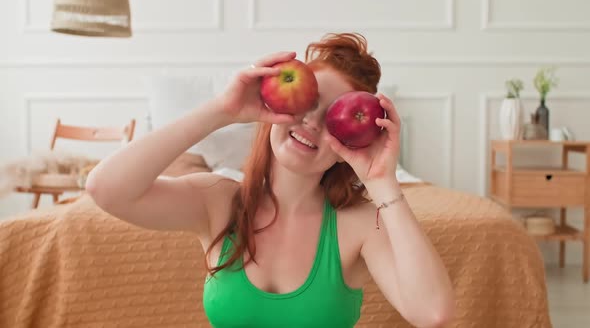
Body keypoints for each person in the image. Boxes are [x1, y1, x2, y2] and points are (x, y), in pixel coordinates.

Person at [86, 32, 455, 328]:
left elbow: (433, 314)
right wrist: (222, 111)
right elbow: (105, 189)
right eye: (308, 103)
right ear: (275, 105)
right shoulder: (218, 201)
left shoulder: (357, 224)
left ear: (350, 142)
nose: (311, 122)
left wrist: (382, 181)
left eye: (332, 119)